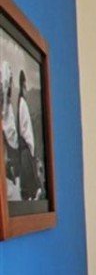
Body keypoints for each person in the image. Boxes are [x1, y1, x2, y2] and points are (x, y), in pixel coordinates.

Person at [16, 70, 40, 200]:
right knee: (30, 186)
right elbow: (26, 131)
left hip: (24, 149)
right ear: (23, 86)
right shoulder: (23, 104)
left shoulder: (20, 103)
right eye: (25, 87)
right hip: (26, 148)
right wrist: (31, 148)